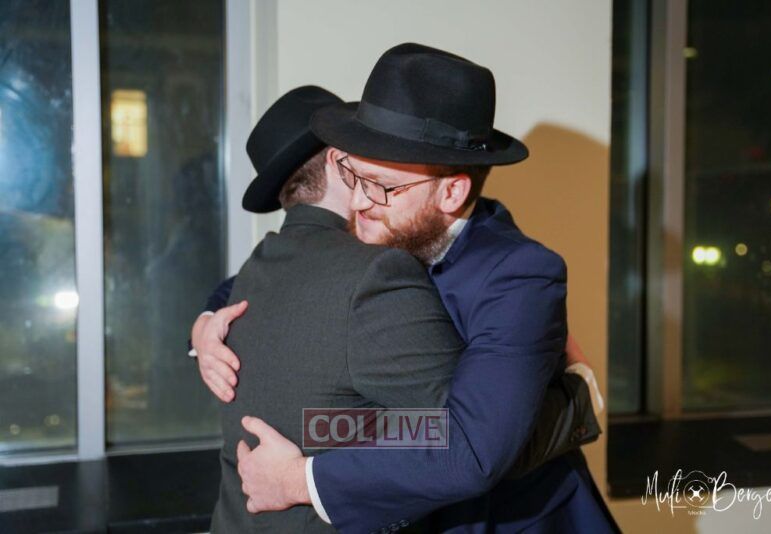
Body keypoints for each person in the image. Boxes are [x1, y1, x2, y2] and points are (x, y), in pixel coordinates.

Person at [199, 83, 602, 533]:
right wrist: (206, 326)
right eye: (354, 177)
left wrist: (579, 397)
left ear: (451, 194)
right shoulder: (379, 225)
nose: (357, 202)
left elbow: (475, 445)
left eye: (380, 186)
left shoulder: (517, 275)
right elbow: (274, 280)